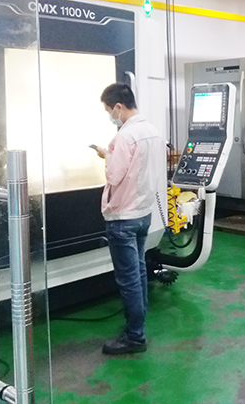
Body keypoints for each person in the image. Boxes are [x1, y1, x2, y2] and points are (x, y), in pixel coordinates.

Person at [92, 83, 164, 355]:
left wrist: (107, 156)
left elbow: (114, 175)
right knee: (139, 271)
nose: (110, 116)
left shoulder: (125, 136)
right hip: (143, 213)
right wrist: (111, 153)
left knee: (128, 278)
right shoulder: (152, 131)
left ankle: (135, 336)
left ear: (119, 107)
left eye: (108, 111)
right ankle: (138, 324)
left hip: (123, 217)